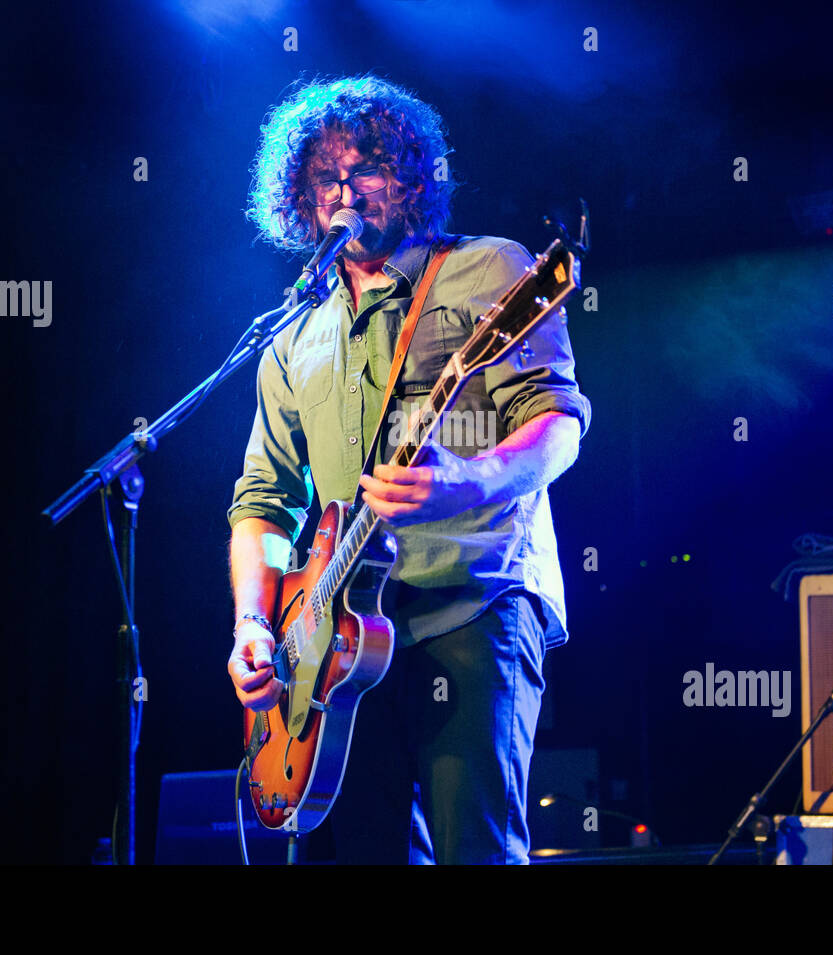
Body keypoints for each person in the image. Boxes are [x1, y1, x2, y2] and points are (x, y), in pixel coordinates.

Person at [226, 74, 591, 864]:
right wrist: (254, 622)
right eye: (325, 177)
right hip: (336, 645)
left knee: (476, 852)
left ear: (414, 177)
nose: (344, 191)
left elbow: (558, 426)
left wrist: (465, 480)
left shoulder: (490, 270)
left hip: (472, 602)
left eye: (367, 169)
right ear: (300, 196)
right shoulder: (293, 338)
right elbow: (262, 502)